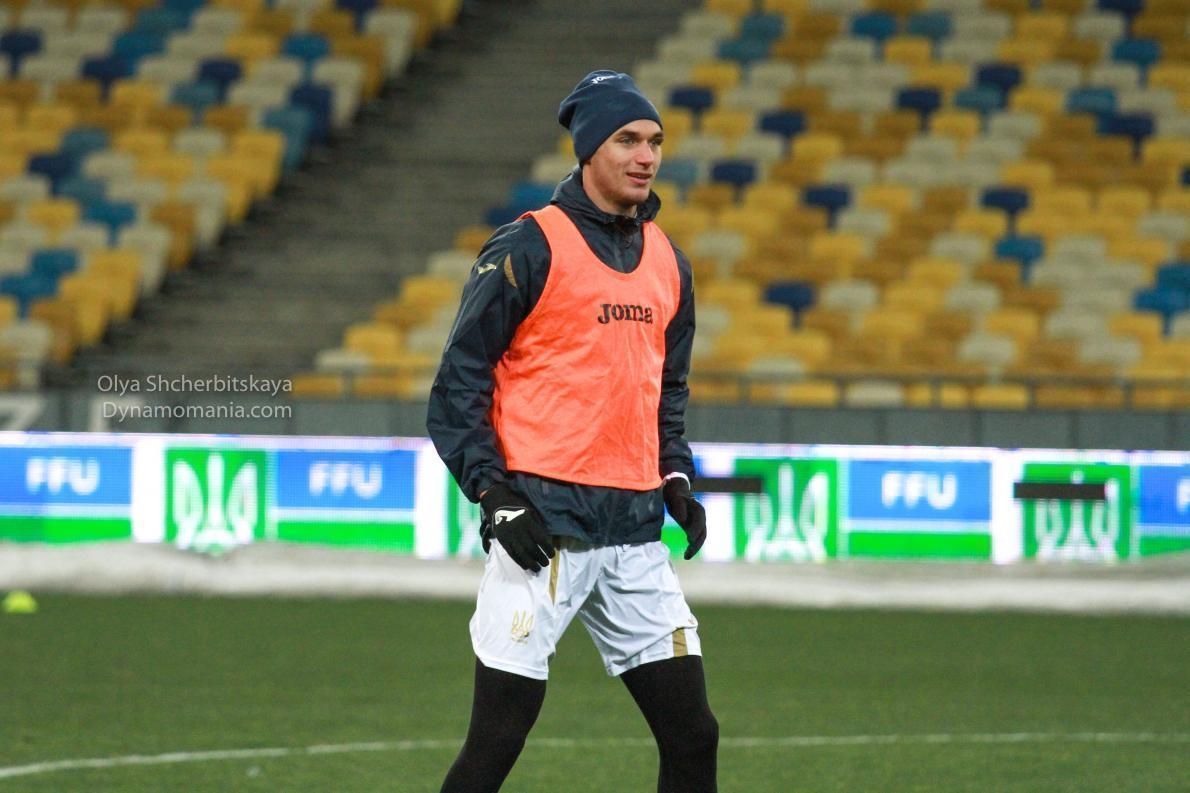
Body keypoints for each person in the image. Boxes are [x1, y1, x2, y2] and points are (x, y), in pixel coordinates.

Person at [427, 70, 718, 793]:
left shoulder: (669, 261)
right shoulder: (528, 246)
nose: (646, 156)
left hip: (635, 535)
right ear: (589, 148)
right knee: (496, 741)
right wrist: (494, 495)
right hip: (542, 529)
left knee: (693, 734)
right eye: (627, 140)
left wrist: (675, 475)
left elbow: (665, 390)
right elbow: (458, 384)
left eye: (654, 141)